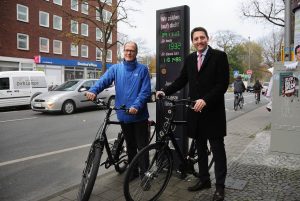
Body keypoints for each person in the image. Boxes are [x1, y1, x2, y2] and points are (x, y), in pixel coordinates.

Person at [156, 27, 229, 201]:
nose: (199, 41)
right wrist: (165, 91)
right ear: (192, 41)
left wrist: (206, 99)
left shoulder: (219, 56)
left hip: (213, 112)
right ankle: (204, 180)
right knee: (201, 149)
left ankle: (220, 187)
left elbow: (222, 84)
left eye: (202, 37)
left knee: (218, 151)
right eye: (195, 39)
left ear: (207, 38)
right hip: (195, 113)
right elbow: (182, 80)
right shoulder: (190, 59)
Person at [85, 41, 151, 177]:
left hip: (139, 116)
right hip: (123, 115)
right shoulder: (116, 69)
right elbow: (104, 80)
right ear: (123, 51)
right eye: (127, 50)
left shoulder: (143, 69)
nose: (129, 52)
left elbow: (145, 92)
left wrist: (136, 106)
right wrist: (93, 91)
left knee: (142, 146)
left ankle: (145, 174)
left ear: (136, 53)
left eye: (132, 50)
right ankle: (133, 172)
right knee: (131, 146)